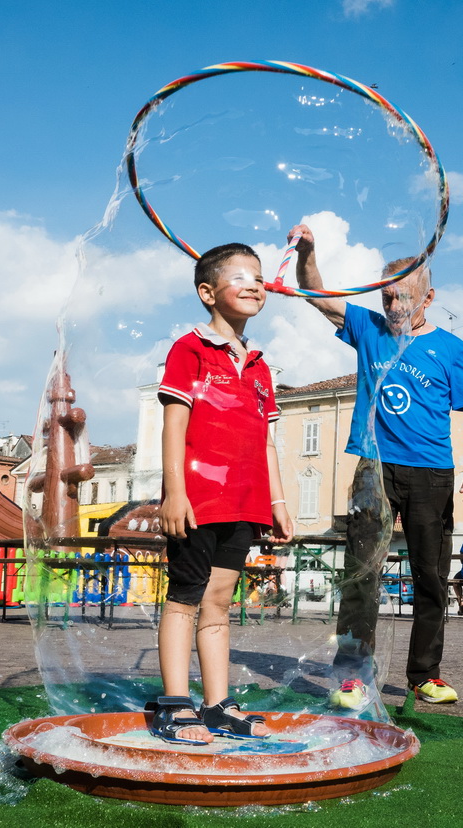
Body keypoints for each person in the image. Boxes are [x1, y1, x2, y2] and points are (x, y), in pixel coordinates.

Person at [291, 223, 463, 707]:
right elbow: (314, 292)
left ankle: (425, 674)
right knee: (362, 574)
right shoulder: (369, 329)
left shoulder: (451, 349)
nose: (395, 309)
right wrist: (308, 252)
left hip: (431, 473)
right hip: (373, 468)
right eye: (387, 300)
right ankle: (353, 675)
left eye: (403, 299)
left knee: (431, 576)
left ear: (428, 296)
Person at [153, 242, 294, 744]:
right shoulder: (189, 348)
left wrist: (276, 503)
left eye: (259, 276)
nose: (257, 284)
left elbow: (267, 440)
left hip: (245, 501)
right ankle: (174, 703)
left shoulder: (258, 364)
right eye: (241, 277)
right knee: (185, 599)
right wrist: (175, 492)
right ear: (207, 292)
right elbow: (174, 424)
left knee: (219, 601)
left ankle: (216, 703)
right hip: (197, 497)